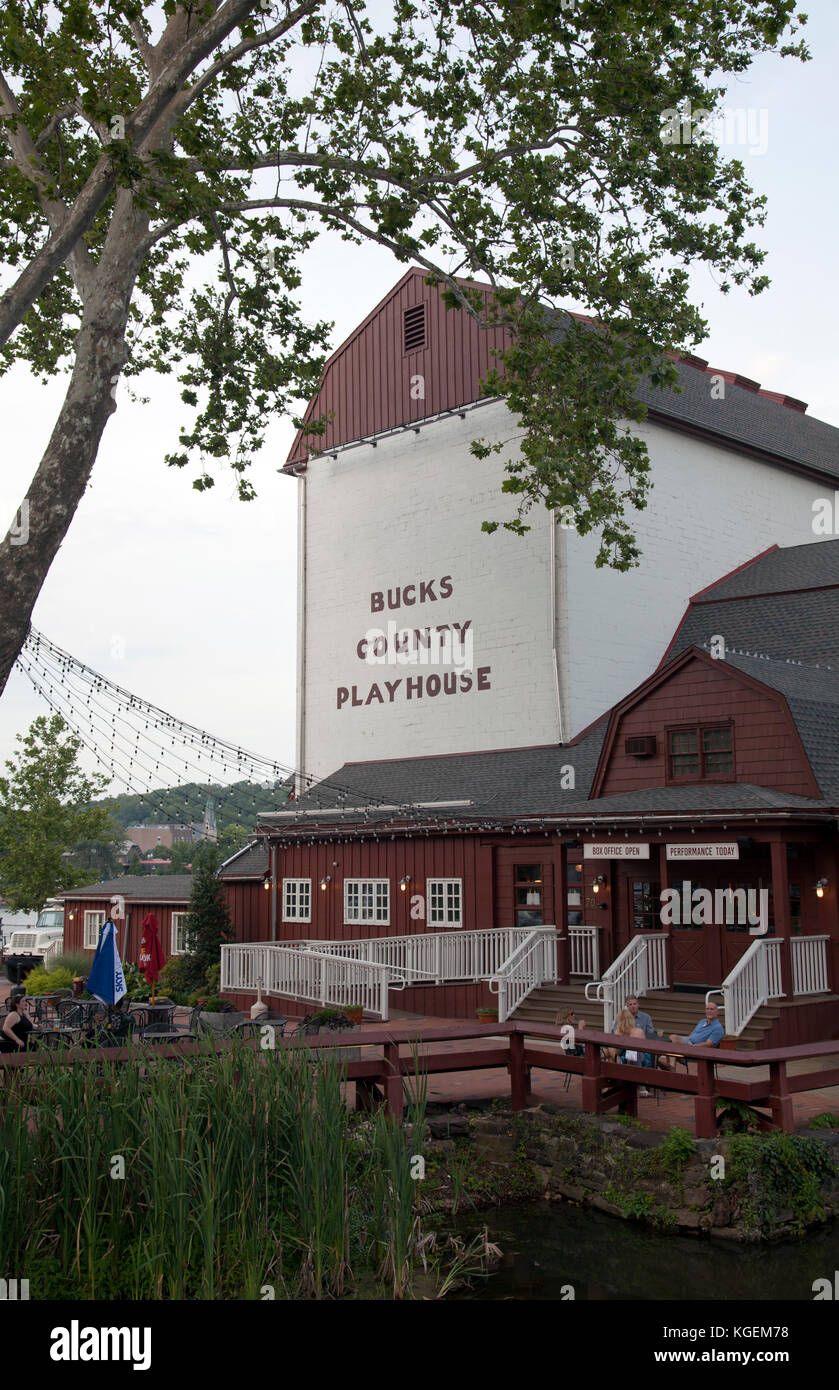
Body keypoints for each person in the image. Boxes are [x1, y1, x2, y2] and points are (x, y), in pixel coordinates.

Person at [613, 1006, 653, 1094]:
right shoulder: (639, 1031)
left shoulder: (617, 1033)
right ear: (631, 1019)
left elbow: (617, 1052)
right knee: (633, 1053)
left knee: (634, 1053)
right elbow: (646, 1048)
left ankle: (632, 1084)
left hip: (629, 1060)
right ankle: (641, 1087)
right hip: (640, 1060)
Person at [0, 987, 34, 1053]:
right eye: (23, 1001)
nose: (26, 1003)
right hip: (11, 1043)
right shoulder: (13, 1015)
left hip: (23, 1042)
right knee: (33, 1048)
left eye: (25, 1001)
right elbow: (5, 1028)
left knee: (34, 1046)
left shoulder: (24, 1013)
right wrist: (17, 1040)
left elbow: (30, 1025)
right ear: (17, 1004)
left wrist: (37, 1027)